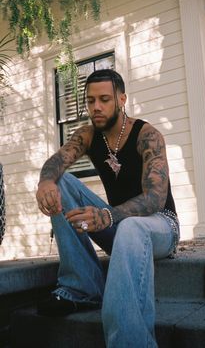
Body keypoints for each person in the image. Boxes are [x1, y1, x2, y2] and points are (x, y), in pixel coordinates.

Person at [36, 68, 180, 348]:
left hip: (161, 226)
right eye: (90, 101)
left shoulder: (147, 135)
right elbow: (57, 161)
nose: (96, 107)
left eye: (104, 99)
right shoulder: (90, 135)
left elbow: (155, 198)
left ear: (122, 99)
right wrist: (45, 183)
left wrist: (109, 215)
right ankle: (83, 287)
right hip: (119, 227)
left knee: (131, 226)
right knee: (61, 181)